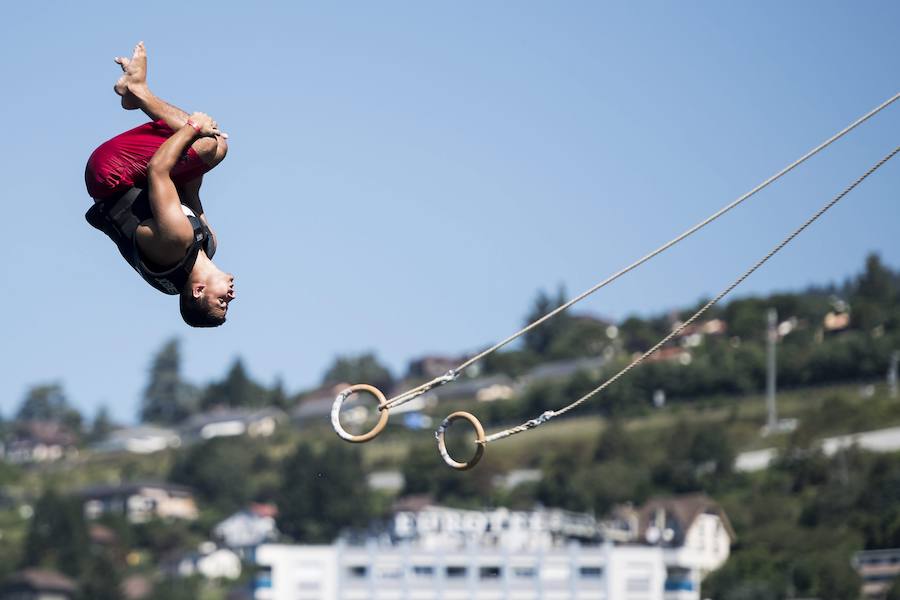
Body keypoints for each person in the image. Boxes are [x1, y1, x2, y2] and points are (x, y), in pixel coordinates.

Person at [85, 42, 235, 327]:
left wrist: (193, 129)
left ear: (198, 291)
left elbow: (158, 170)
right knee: (213, 147)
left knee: (209, 144)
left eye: (222, 301)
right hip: (136, 179)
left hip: (110, 173)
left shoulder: (176, 242)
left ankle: (139, 92)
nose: (232, 296)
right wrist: (199, 154)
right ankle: (136, 94)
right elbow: (190, 188)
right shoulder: (209, 244)